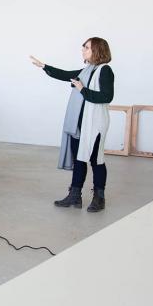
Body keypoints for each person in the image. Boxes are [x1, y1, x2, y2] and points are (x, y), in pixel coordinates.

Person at [30, 37, 115, 212]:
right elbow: (65, 74)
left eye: (86, 47)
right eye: (83, 47)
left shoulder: (105, 71)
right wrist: (44, 66)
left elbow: (106, 97)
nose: (83, 50)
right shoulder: (87, 70)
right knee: (79, 160)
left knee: (96, 160)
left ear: (97, 50)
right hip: (79, 125)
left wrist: (82, 89)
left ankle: (99, 198)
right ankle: (75, 195)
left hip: (95, 125)